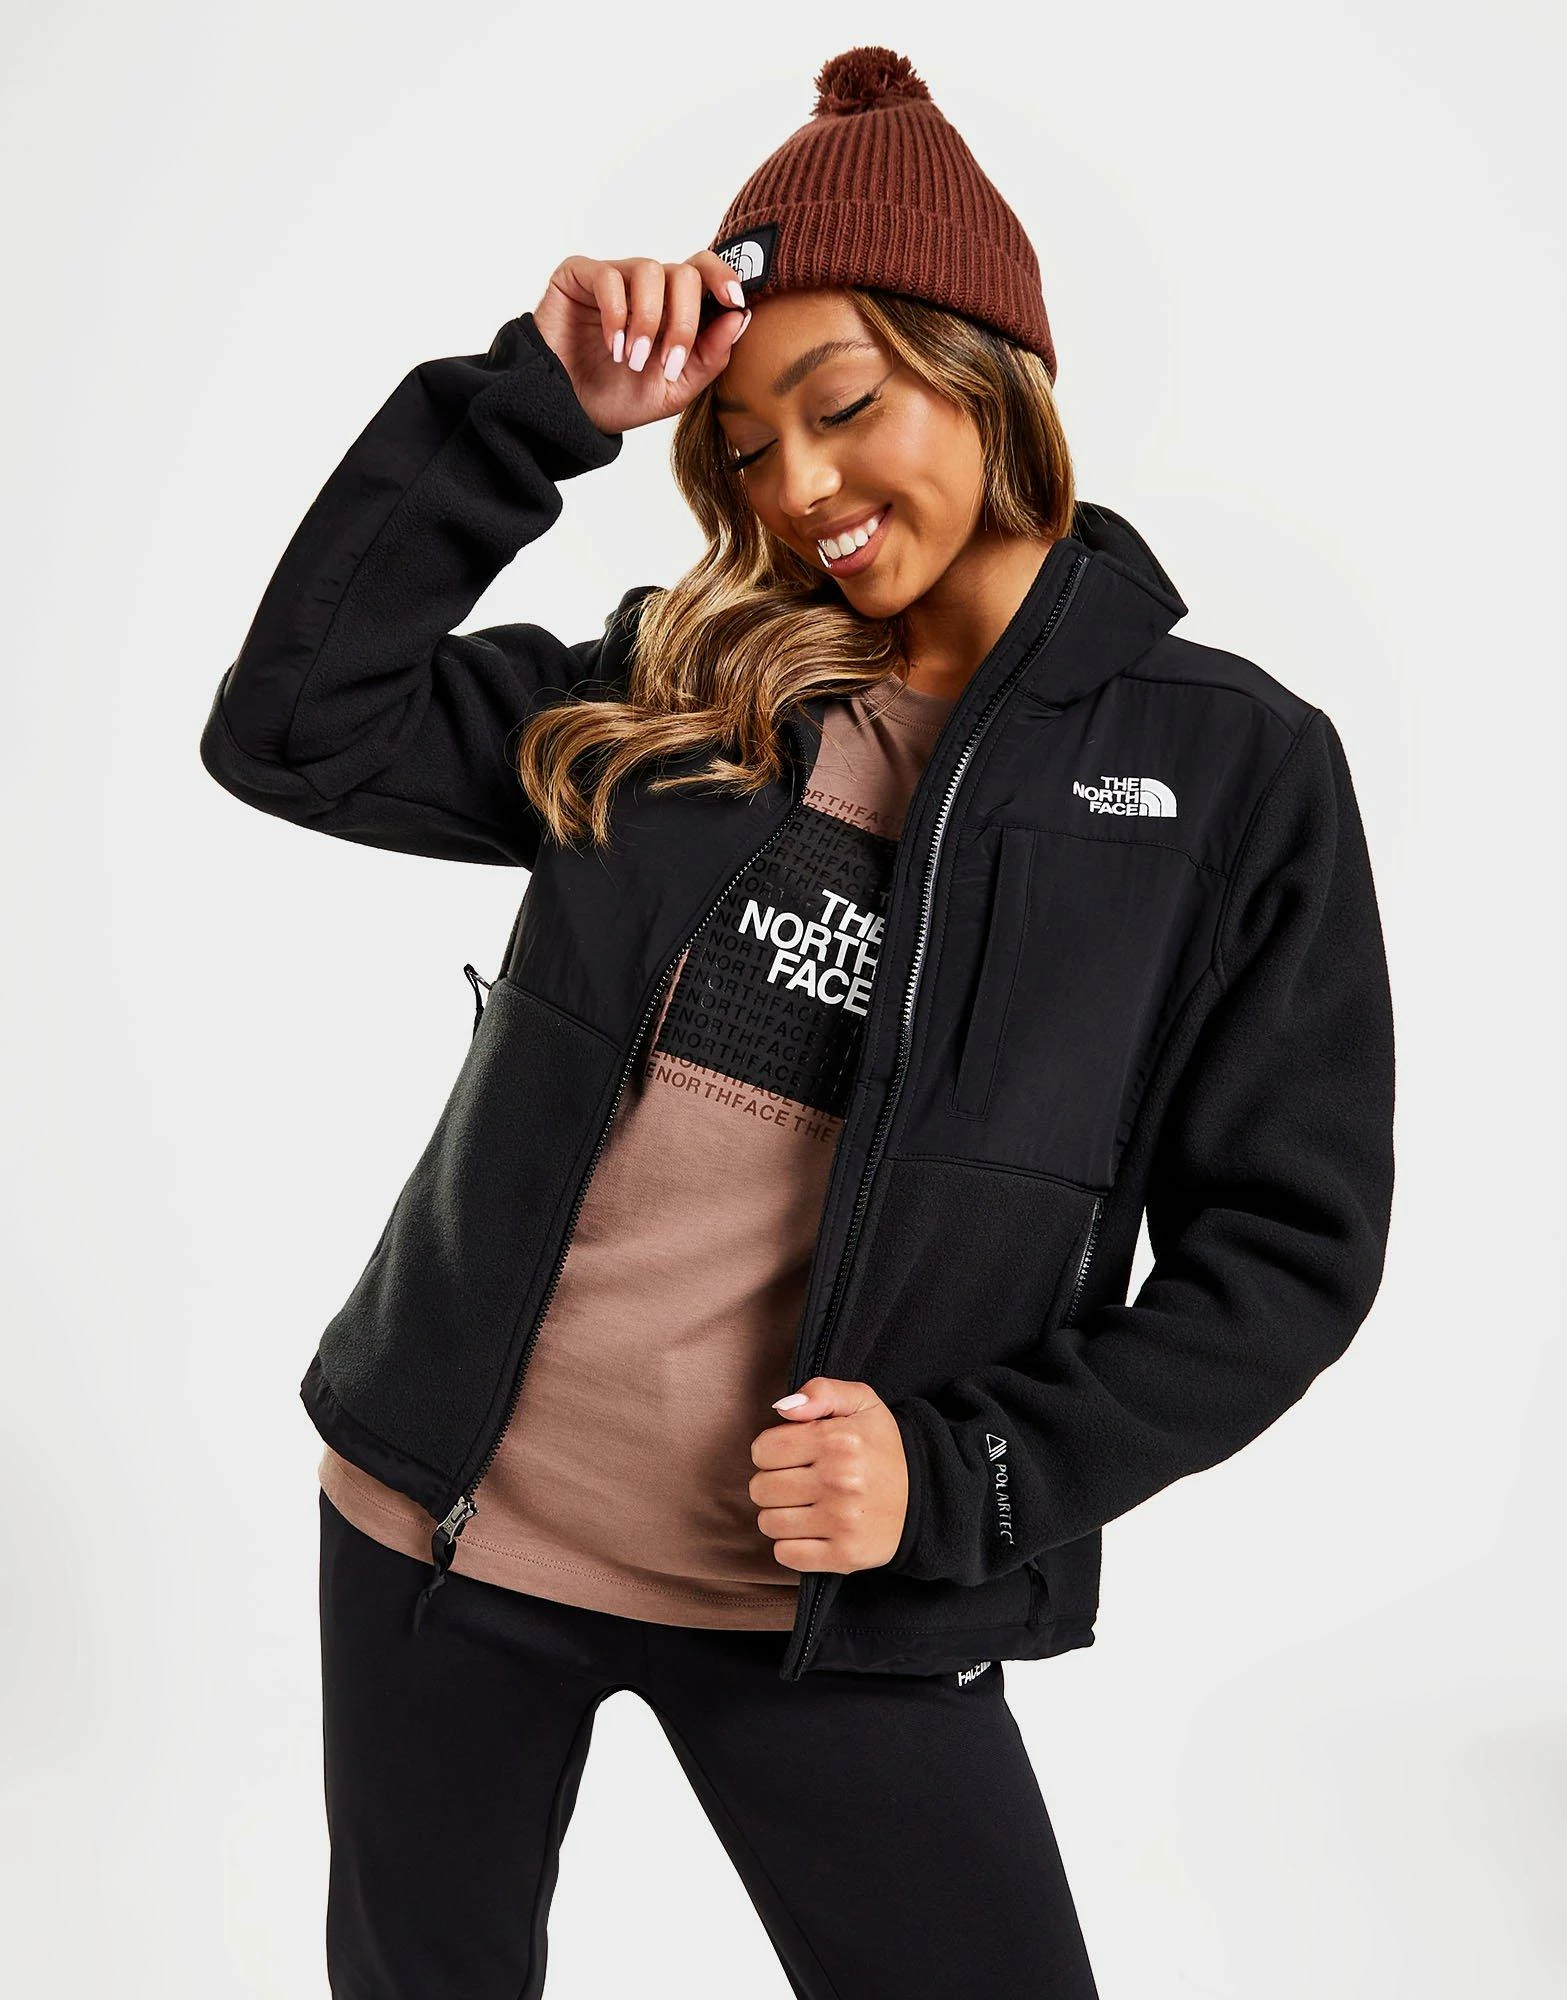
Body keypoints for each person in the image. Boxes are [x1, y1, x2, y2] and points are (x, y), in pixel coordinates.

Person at [198, 42, 1396, 2000]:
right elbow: (296, 730)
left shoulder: (1228, 769)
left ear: (988, 375)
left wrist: (969, 1472)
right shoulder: (683, 684)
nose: (801, 489)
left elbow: (1286, 1252)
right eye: (744, 447)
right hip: (442, 1531)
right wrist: (530, 406)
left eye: (842, 407)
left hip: (842, 1593)